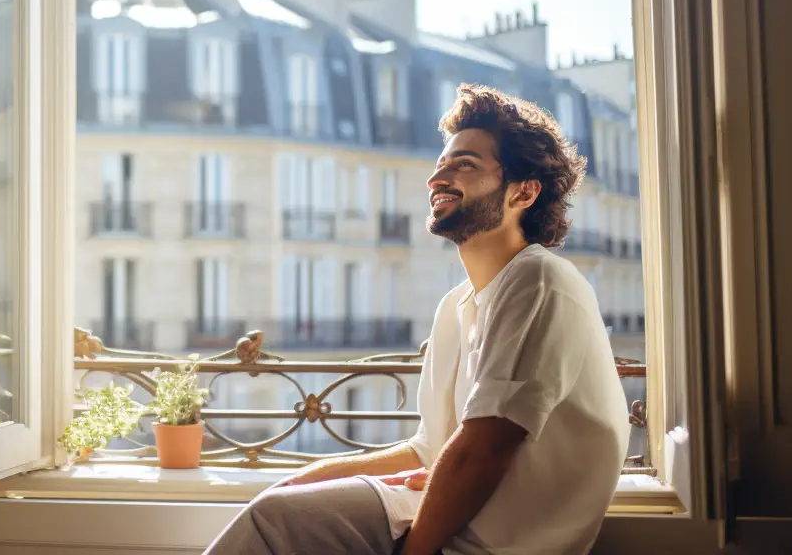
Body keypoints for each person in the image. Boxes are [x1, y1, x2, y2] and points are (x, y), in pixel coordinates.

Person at [204, 85, 630, 555]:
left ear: (524, 192)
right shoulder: (455, 306)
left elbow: (483, 450)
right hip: (445, 516)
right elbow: (430, 448)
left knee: (273, 523)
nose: (438, 178)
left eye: (465, 164)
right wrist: (294, 482)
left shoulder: (540, 280)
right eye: (441, 164)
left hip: (493, 543)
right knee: (276, 508)